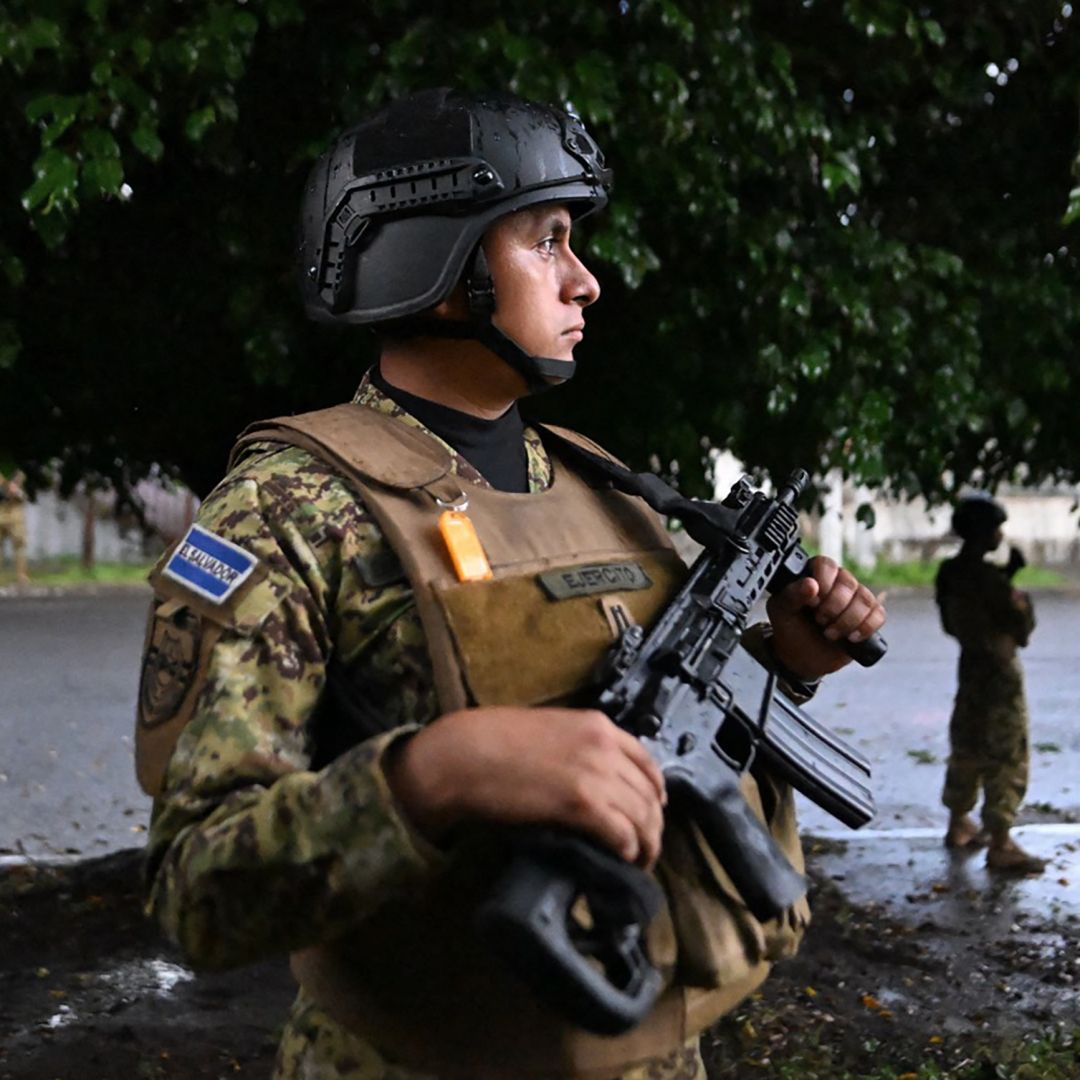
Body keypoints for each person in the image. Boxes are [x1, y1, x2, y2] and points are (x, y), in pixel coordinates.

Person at [136, 88, 886, 1080]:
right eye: (548, 242)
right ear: (443, 269)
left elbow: (640, 720)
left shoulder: (598, 482)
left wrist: (782, 663)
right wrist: (434, 774)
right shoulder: (283, 509)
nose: (587, 283)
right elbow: (197, 889)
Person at [935, 494, 1044, 874]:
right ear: (985, 533)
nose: (1001, 533)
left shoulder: (950, 573)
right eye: (997, 527)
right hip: (1000, 673)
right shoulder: (990, 581)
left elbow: (960, 618)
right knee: (1007, 752)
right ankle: (1001, 841)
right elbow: (1021, 628)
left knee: (967, 743)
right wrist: (1017, 594)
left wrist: (1005, 577)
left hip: (970, 668)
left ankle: (959, 822)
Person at [0, 469, 30, 586]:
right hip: (2, 515)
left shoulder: (18, 490)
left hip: (16, 519)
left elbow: (23, 497)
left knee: (19, 547)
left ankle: (22, 576)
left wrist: (15, 490)